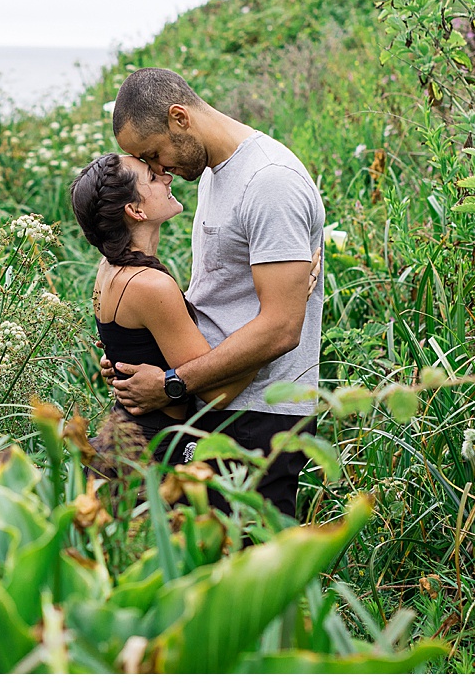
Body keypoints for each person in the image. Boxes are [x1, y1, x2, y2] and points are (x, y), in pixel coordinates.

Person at [102, 66, 325, 518]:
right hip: (211, 403)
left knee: (253, 574)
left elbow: (282, 328)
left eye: (153, 154)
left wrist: (171, 383)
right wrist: (146, 355)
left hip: (259, 415)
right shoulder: (212, 172)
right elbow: (221, 296)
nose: (158, 170)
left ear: (179, 118)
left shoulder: (269, 182)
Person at [69, 152, 260, 465]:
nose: (167, 176)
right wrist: (277, 320)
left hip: (122, 438)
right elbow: (217, 395)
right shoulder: (149, 285)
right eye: (153, 177)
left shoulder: (110, 268)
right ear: (135, 210)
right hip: (151, 451)